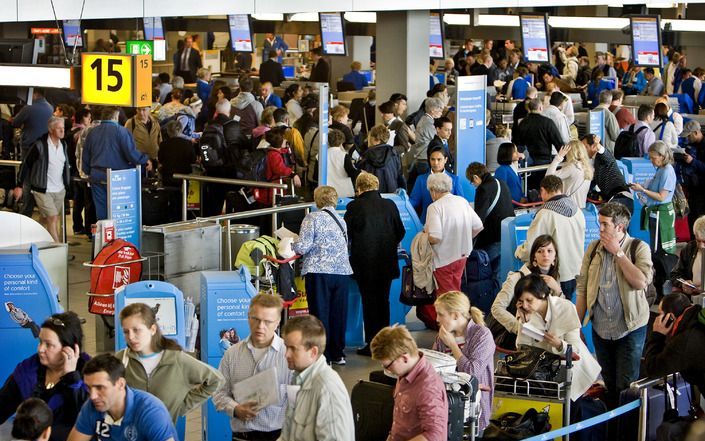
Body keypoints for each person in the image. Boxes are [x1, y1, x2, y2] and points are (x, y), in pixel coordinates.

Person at [576, 202, 653, 408]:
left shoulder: (638, 248)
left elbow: (640, 282)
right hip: (600, 329)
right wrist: (576, 328)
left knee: (626, 386)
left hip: (630, 328)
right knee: (609, 383)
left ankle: (628, 429)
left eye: (604, 225)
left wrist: (618, 253)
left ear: (620, 227)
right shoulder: (593, 249)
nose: (600, 229)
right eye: (599, 223)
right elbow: (582, 288)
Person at [115, 303, 223, 423]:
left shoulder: (176, 359)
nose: (131, 337)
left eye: (137, 330)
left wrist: (181, 407)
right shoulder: (121, 359)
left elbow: (216, 379)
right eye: (126, 332)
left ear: (152, 329)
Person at [213, 294, 292, 441]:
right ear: (248, 317)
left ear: (278, 323)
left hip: (279, 435)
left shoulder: (289, 355)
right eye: (255, 319)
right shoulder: (232, 354)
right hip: (242, 436)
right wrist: (235, 409)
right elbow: (218, 392)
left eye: (268, 321)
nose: (260, 326)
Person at [0, 311, 88, 441]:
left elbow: (84, 421)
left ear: (69, 348)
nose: (40, 349)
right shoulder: (27, 370)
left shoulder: (91, 375)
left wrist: (71, 377)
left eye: (49, 344)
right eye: (40, 342)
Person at [513, 274, 602, 401]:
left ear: (542, 294)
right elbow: (522, 349)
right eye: (521, 301)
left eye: (529, 300)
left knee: (572, 412)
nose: (525, 305)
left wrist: (559, 345)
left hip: (573, 371)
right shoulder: (525, 312)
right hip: (545, 374)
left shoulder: (565, 307)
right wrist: (524, 324)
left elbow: (575, 349)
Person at [344, 172, 405, 356]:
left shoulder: (354, 206)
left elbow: (346, 234)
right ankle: (385, 342)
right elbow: (400, 231)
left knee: (369, 304)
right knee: (383, 302)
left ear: (359, 188)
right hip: (386, 262)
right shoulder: (390, 204)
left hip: (364, 264)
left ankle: (372, 344)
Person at [292, 186, 352, 365]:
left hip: (319, 271)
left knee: (319, 314)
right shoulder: (341, 221)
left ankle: (322, 355)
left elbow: (303, 247)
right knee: (338, 314)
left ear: (317, 200)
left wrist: (290, 242)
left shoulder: (312, 218)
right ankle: (338, 354)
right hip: (342, 272)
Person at [67, 353, 177, 441]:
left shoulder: (150, 411)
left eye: (100, 387)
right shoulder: (92, 407)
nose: (92, 396)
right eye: (88, 388)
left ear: (120, 384)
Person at [279, 315, 354, 441]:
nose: (286, 354)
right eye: (286, 347)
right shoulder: (298, 377)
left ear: (313, 352)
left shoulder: (327, 389)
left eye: (293, 349)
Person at [370, 326, 448, 441]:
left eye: (387, 366)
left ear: (404, 358)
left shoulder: (428, 388)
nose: (387, 370)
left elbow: (434, 435)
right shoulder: (405, 373)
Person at [433, 291, 495, 431]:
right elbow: (435, 367)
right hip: (448, 403)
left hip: (474, 407)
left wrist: (453, 345)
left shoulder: (482, 335)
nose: (437, 319)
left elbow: (472, 372)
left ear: (455, 315)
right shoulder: (441, 337)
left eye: (441, 314)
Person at [515, 175, 586, 295]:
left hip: (557, 275)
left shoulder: (545, 213)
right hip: (576, 271)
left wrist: (518, 252)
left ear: (543, 190)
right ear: (561, 189)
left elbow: (532, 247)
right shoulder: (577, 210)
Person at [491, 235, 564, 345]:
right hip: (517, 338)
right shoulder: (518, 277)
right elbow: (497, 307)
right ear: (534, 256)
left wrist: (558, 290)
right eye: (540, 251)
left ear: (555, 257)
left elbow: (561, 309)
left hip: (545, 337)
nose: (545, 255)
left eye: (549, 251)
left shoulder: (554, 279)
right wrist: (521, 329)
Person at [81, 106, 151, 220]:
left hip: (97, 176)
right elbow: (131, 154)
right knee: (118, 212)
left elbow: (86, 156)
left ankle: (104, 235)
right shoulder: (121, 131)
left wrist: (88, 172)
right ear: (115, 117)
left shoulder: (92, 132)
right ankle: (117, 236)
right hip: (118, 178)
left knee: (102, 211)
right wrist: (145, 159)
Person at [14, 116, 69, 242]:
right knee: (53, 217)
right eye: (58, 128)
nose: (62, 131)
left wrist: (67, 184)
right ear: (51, 130)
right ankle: (58, 249)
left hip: (59, 190)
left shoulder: (64, 145)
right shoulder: (39, 145)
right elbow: (26, 164)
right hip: (42, 189)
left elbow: (65, 166)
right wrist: (19, 185)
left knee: (46, 219)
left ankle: (34, 238)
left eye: (63, 128)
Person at [426, 172, 483, 294]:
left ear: (433, 190)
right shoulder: (462, 201)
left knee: (447, 299)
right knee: (455, 291)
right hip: (462, 255)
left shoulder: (434, 207)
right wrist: (463, 237)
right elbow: (478, 226)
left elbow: (435, 237)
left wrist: (424, 237)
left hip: (444, 259)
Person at [643, 292, 705, 398]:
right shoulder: (696, 319)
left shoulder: (684, 341)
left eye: (660, 315)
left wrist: (657, 335)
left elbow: (652, 368)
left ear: (670, 317)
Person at [467, 162, 514, 283]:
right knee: (500, 273)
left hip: (491, 238)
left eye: (472, 182)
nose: (474, 185)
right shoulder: (501, 183)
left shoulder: (483, 189)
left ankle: (489, 300)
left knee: (487, 273)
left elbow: (479, 220)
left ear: (476, 177)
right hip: (506, 235)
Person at [630, 141, 677, 255]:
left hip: (661, 215)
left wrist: (643, 190)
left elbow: (661, 197)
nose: (651, 160)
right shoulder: (660, 169)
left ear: (662, 156)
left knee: (659, 249)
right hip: (655, 213)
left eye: (653, 158)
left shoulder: (667, 171)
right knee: (654, 246)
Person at [513, 98, 564, 191]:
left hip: (527, 164)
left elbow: (517, 143)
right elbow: (559, 143)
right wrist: (565, 158)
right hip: (544, 163)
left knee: (531, 190)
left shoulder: (523, 123)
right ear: (540, 107)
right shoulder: (547, 122)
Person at [410, 145, 464, 223]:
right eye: (433, 159)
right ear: (429, 160)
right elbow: (414, 201)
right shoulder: (421, 179)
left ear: (445, 160)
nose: (435, 163)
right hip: (427, 222)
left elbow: (460, 203)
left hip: (448, 223)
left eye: (439, 159)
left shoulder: (454, 179)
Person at [582, 133, 634, 214]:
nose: (581, 150)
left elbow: (605, 154)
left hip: (622, 199)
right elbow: (590, 184)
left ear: (593, 147)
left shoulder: (604, 158)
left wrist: (598, 145)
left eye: (584, 147)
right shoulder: (595, 163)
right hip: (614, 199)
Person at [254, 127, 301, 206]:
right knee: (272, 211)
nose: (286, 140)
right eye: (284, 138)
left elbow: (282, 152)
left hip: (271, 189)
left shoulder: (272, 151)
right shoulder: (274, 155)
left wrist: (287, 149)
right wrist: (293, 174)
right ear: (280, 141)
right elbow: (280, 169)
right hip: (272, 191)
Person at [408, 97, 444, 191]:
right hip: (424, 159)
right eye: (440, 109)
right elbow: (436, 140)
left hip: (420, 158)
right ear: (432, 110)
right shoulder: (428, 124)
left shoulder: (424, 119)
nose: (441, 112)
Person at [356, 124, 405, 193]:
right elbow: (400, 176)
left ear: (374, 138)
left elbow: (360, 178)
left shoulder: (366, 155)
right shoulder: (394, 154)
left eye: (369, 136)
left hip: (372, 194)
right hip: (392, 193)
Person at [546, 140, 594, 209]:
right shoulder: (588, 167)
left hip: (568, 208)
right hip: (581, 207)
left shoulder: (572, 167)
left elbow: (548, 177)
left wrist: (558, 157)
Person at [678, 121, 705, 235]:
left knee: (700, 221)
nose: (687, 139)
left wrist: (693, 161)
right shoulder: (691, 146)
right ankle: (693, 245)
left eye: (689, 136)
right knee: (692, 219)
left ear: (696, 132)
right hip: (693, 190)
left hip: (703, 191)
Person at [12, 88, 54, 157]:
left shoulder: (28, 108)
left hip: (29, 144)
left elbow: (15, 123)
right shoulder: (50, 107)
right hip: (45, 144)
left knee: (27, 166)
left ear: (35, 94)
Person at [671, 215, 705, 294]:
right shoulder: (690, 248)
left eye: (704, 241)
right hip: (692, 297)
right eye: (698, 241)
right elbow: (675, 274)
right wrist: (683, 284)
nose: (701, 245)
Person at [326, 129, 355, 198]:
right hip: (344, 191)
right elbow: (351, 172)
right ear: (342, 141)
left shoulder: (320, 156)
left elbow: (315, 176)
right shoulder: (344, 156)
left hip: (327, 192)